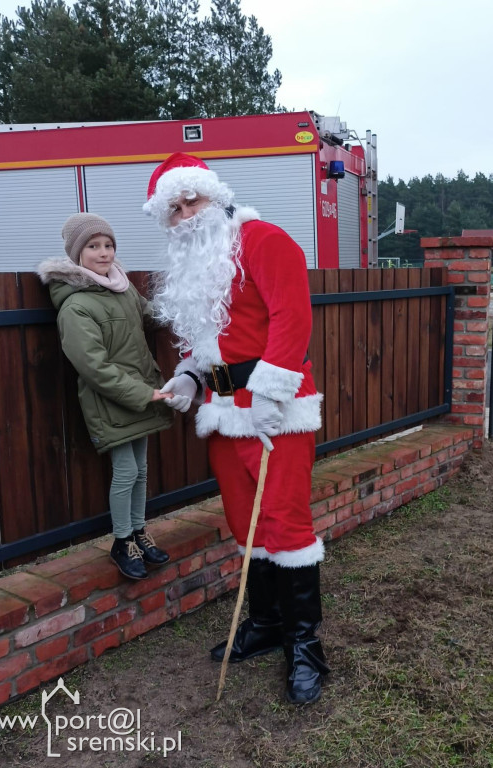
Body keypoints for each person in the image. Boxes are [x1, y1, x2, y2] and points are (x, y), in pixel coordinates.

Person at [143, 152, 329, 704]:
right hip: (223, 411)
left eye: (190, 201)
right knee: (244, 522)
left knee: (286, 523)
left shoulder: (264, 240)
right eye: (173, 210)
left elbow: (292, 319)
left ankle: (304, 644)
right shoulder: (195, 264)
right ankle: (267, 624)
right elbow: (208, 342)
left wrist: (271, 394)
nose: (185, 216)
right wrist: (189, 381)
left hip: (276, 409)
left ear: (214, 195)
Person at [37, 213, 174, 581]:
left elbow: (150, 317)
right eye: (93, 246)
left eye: (108, 245)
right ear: (76, 253)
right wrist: (144, 393)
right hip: (112, 400)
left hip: (143, 394)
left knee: (141, 469)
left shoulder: (123, 287)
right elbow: (93, 367)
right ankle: (122, 541)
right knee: (126, 470)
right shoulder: (75, 305)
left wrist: (184, 306)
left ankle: (139, 531)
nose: (103, 253)